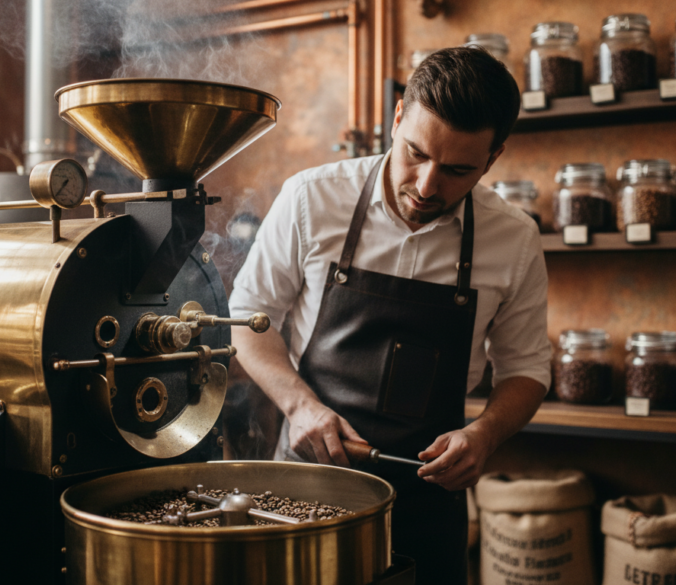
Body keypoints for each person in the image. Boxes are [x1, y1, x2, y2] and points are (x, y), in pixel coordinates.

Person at [228, 46, 551, 583]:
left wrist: (486, 434)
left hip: (429, 499)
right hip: (309, 484)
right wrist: (299, 407)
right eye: (416, 154)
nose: (427, 186)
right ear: (397, 117)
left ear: (493, 158)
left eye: (457, 170)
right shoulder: (312, 199)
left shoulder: (513, 239)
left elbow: (527, 369)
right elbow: (248, 315)